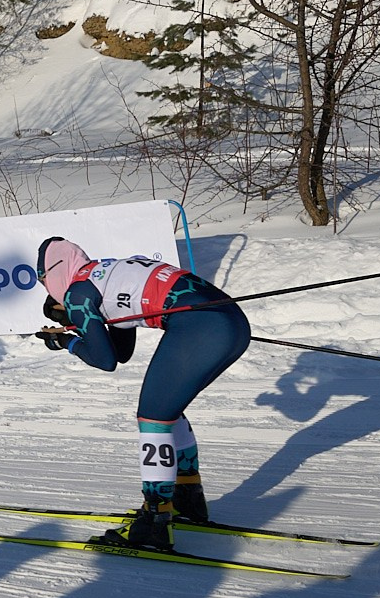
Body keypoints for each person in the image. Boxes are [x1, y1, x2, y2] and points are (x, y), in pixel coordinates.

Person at [36, 236, 251, 554]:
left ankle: (155, 521)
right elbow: (122, 352)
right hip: (230, 322)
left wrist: (64, 342)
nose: (50, 292)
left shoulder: (77, 294)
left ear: (52, 274)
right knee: (167, 407)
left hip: (202, 325)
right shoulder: (103, 274)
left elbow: (106, 361)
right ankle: (187, 498)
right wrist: (87, 327)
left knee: (153, 418)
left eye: (43, 282)